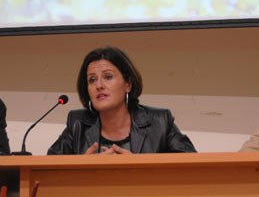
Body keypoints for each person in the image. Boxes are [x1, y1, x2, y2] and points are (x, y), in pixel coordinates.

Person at [48, 46, 196, 155]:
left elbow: (191, 168)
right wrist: (82, 169)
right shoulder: (77, 124)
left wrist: (139, 169)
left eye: (108, 77)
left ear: (128, 84)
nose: (99, 85)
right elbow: (48, 172)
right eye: (92, 80)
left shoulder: (160, 122)